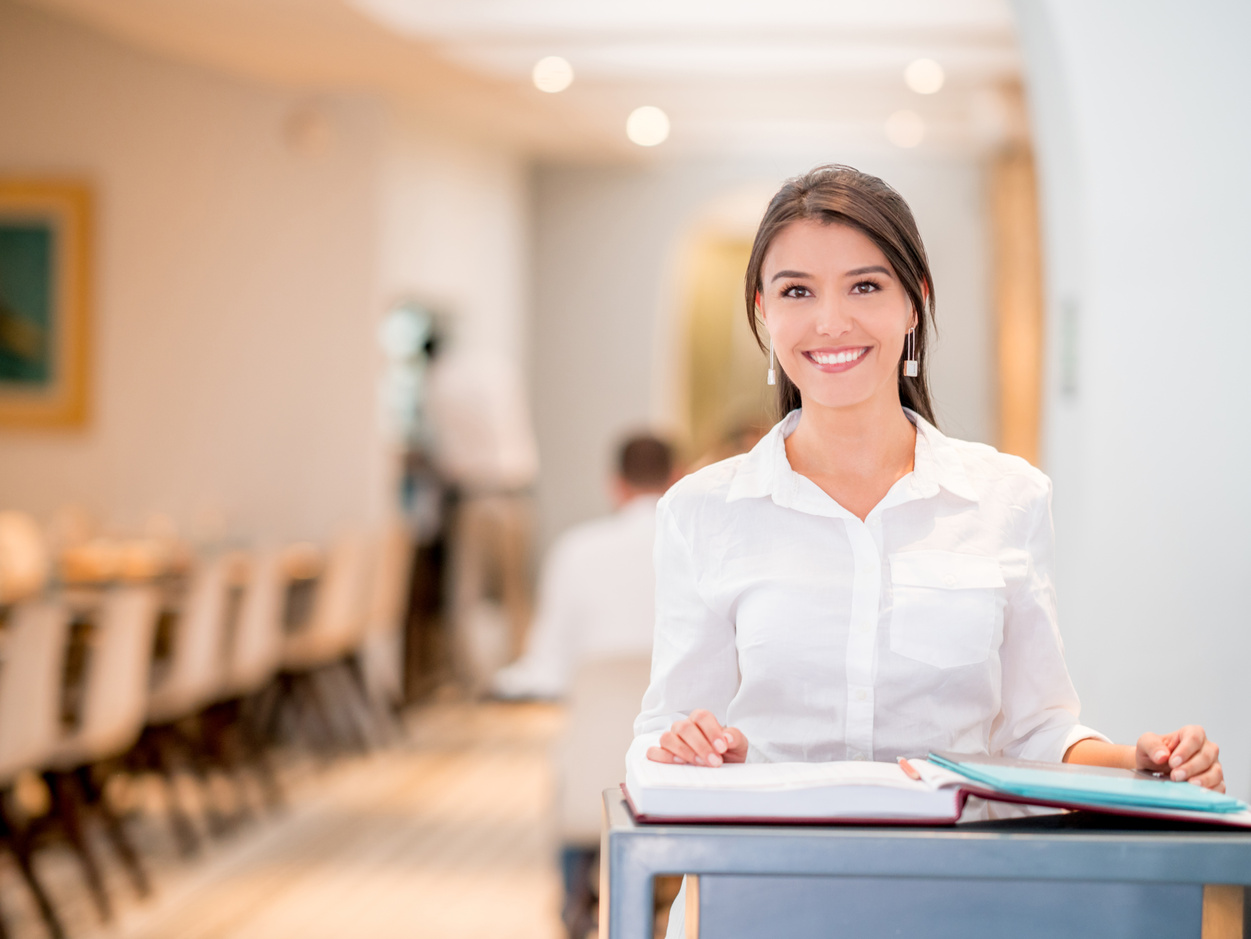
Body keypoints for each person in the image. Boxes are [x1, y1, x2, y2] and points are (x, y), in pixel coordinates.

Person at [631, 165, 1222, 933]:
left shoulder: (1006, 497)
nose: (830, 321)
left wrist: (1139, 765)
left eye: (865, 287)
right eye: (797, 291)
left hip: (961, 897)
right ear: (763, 313)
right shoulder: (703, 511)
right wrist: (683, 743)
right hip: (759, 897)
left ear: (914, 300)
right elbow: (662, 735)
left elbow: (1036, 729)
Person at [492, 433, 677, 699]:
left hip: (592, 722)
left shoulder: (574, 548)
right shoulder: (702, 549)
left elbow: (547, 664)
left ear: (616, 485)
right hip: (681, 729)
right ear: (677, 477)